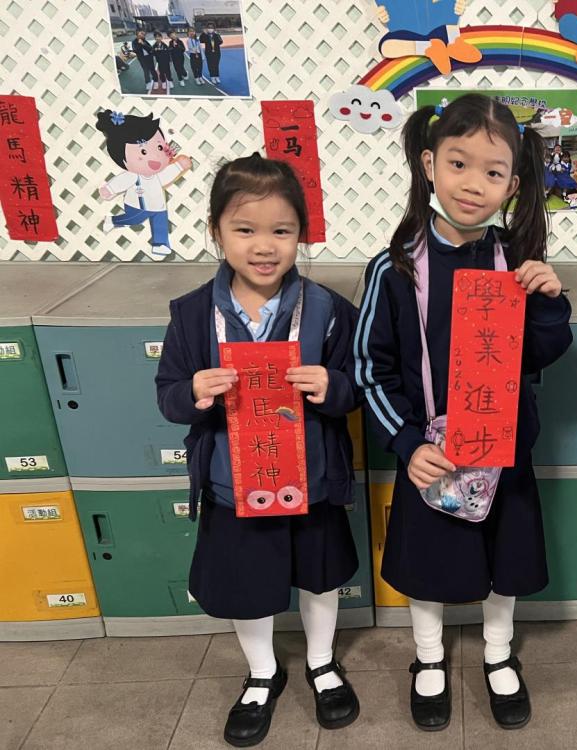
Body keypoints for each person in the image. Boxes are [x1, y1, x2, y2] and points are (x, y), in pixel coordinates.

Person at [354, 93, 572, 732]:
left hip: (503, 450)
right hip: (432, 452)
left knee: (504, 560)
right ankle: (428, 657)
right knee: (429, 564)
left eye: (493, 171)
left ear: (513, 185)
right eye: (458, 163)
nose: (474, 184)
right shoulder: (394, 268)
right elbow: (369, 368)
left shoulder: (516, 262)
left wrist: (549, 301)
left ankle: (499, 654)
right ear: (429, 165)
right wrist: (406, 443)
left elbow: (542, 353)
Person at [155, 154, 363, 747]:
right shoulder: (192, 314)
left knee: (319, 577)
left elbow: (358, 387)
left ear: (302, 233)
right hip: (233, 483)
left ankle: (322, 662)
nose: (264, 246)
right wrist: (194, 391)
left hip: (311, 478)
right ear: (217, 231)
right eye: (245, 229)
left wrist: (333, 387)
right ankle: (263, 672)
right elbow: (167, 395)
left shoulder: (328, 311)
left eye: (282, 230)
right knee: (245, 584)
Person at [96, 110, 192, 260]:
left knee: (160, 221)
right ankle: (112, 221)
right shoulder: (133, 175)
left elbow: (165, 176)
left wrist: (179, 166)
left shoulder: (157, 174)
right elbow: (122, 181)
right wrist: (109, 189)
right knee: (135, 219)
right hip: (137, 205)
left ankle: (160, 244)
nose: (155, 157)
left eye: (159, 148)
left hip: (158, 204)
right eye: (143, 152)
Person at [131, 29, 155, 93]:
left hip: (149, 57)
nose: (142, 35)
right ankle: (148, 83)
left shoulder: (144, 40)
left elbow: (150, 48)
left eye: (143, 34)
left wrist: (143, 43)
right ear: (137, 35)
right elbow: (135, 50)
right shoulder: (134, 42)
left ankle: (155, 79)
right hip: (142, 58)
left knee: (152, 69)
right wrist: (140, 44)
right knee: (145, 70)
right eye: (140, 34)